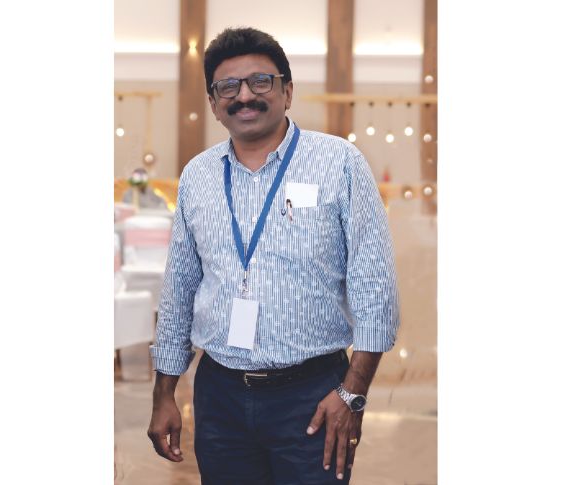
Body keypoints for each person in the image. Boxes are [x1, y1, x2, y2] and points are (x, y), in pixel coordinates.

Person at [148, 27, 399, 484]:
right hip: (219, 395)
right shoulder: (198, 176)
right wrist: (163, 393)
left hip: (314, 395)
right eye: (228, 87)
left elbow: (375, 287)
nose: (244, 96)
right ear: (214, 103)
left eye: (260, 81)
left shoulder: (339, 163)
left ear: (287, 91)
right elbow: (180, 288)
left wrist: (353, 394)